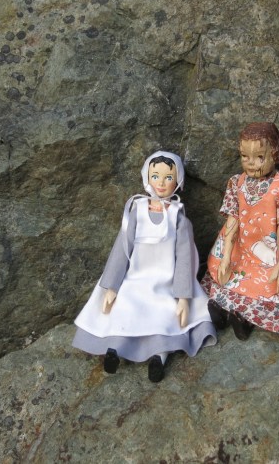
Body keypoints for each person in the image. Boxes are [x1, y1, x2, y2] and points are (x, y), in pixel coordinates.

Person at [73, 151, 216, 382]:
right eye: (155, 176)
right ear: (146, 178)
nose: (161, 183)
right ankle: (115, 349)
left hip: (165, 282)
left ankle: (159, 358)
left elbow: (184, 257)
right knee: (123, 309)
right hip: (135, 278)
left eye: (168, 178)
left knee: (165, 317)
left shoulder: (178, 217)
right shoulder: (136, 211)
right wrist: (113, 285)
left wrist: (182, 295)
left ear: (177, 181)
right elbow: (122, 249)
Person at [202, 122, 279, 339]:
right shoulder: (237, 183)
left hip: (272, 252)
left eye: (259, 157)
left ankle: (244, 319)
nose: (251, 164)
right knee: (225, 276)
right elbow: (233, 221)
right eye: (245, 157)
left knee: (273, 286)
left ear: (276, 154)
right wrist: (226, 257)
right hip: (244, 247)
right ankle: (222, 311)